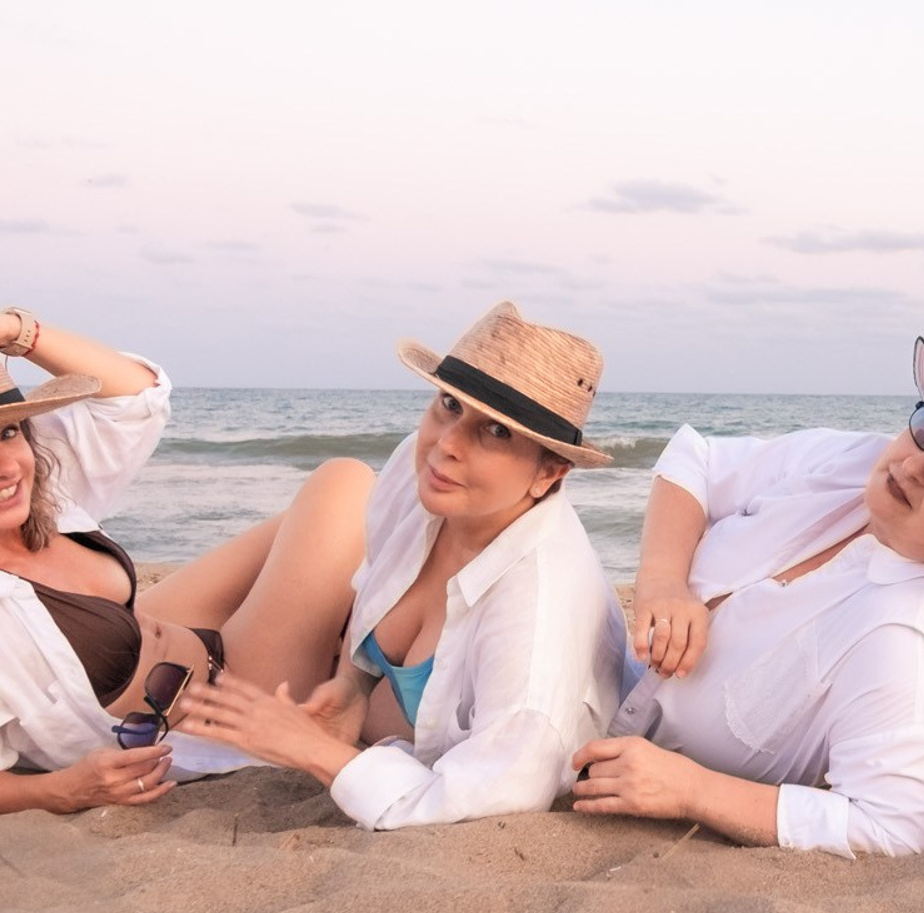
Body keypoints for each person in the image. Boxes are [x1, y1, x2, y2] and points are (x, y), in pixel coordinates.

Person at [0, 304, 371, 814]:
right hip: (229, 699)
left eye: (10, 432)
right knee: (349, 487)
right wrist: (62, 789)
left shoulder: (34, 493)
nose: (3, 466)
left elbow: (135, 392)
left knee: (333, 508)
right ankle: (349, 664)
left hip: (171, 636)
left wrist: (12, 330)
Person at [566, 339, 924, 857]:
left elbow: (896, 825)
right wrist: (664, 579)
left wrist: (691, 790)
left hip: (585, 735)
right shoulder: (859, 464)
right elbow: (696, 461)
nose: (914, 465)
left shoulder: (908, 641)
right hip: (590, 653)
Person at [185, 304, 629, 829]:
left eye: (497, 432)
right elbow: (376, 577)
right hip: (406, 726)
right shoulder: (422, 477)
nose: (446, 445)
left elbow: (491, 796)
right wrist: (353, 685)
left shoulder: (536, 616)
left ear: (549, 474)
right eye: (448, 404)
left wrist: (315, 752)